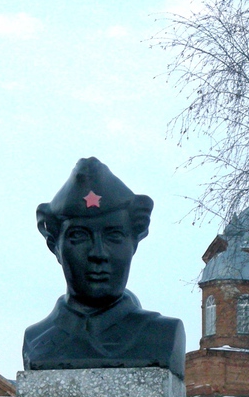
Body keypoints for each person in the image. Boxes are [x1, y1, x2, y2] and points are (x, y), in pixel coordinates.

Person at [23, 157, 185, 377]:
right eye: (79, 236)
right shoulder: (36, 343)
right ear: (55, 246)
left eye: (114, 236)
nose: (98, 253)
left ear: (134, 243)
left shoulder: (161, 336)